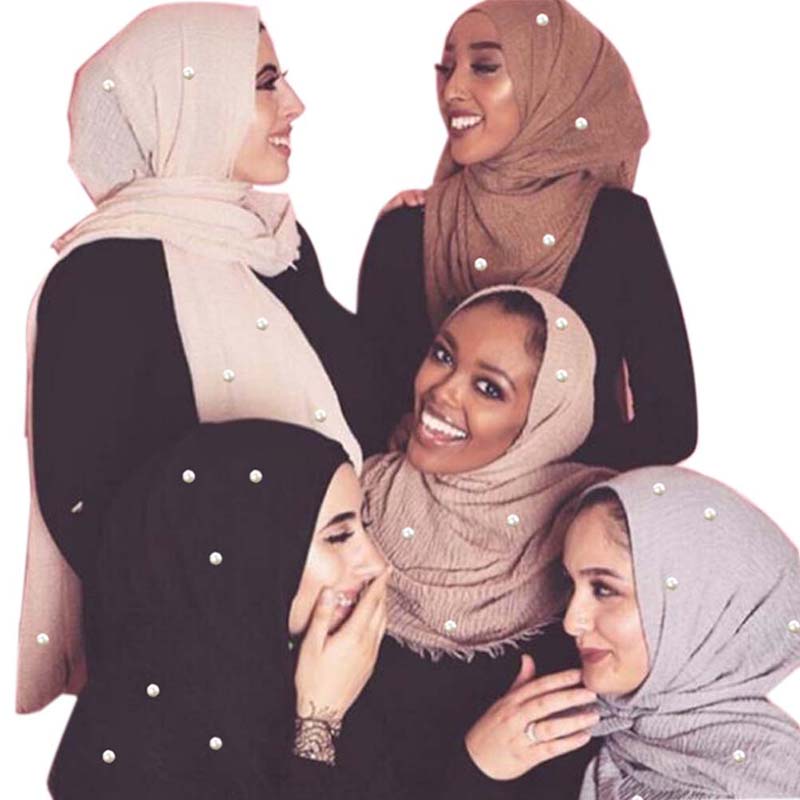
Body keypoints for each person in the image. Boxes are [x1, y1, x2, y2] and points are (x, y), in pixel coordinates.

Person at [18, 2, 382, 715]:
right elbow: (88, 514)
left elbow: (363, 397)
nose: (294, 104)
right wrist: (258, 609)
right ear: (192, 99)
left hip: (338, 631)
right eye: (264, 83)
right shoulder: (99, 278)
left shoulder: (275, 244)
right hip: (194, 679)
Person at [358, 0, 696, 470]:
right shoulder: (405, 232)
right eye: (446, 69)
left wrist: (548, 488)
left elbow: (671, 426)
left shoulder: (616, 227)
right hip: (425, 511)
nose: (452, 90)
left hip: (573, 506)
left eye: (485, 67)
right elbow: (369, 419)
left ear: (553, 84)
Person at [347, 284, 613, 798]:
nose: (443, 392)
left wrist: (478, 768)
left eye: (488, 388)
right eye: (443, 356)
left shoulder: (588, 543)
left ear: (544, 420)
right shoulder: (352, 501)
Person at [47, 419, 390, 799]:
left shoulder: (331, 674)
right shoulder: (127, 755)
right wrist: (318, 724)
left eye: (365, 526)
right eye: (338, 537)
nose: (377, 564)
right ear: (246, 555)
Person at [558, 466, 800, 798]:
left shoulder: (769, 783)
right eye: (571, 585)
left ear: (698, 607)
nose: (572, 622)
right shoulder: (589, 732)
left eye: (603, 589)